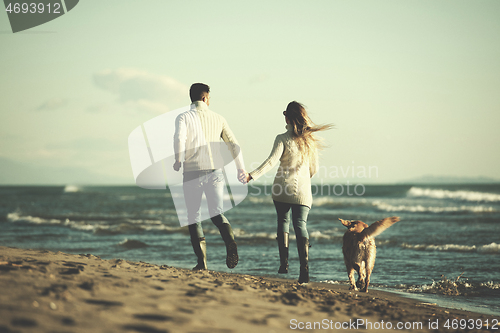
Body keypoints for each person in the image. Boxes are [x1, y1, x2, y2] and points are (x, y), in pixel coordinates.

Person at [244, 101, 332, 283]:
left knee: (283, 222)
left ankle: (284, 263)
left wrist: (251, 175)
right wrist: (302, 180)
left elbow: (270, 162)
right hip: (303, 191)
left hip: (282, 189)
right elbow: (313, 170)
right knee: (300, 225)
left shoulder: (282, 138)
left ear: (288, 118)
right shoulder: (311, 142)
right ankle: (304, 269)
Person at [173, 83, 246, 271]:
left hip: (192, 171)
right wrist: (241, 169)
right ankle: (230, 241)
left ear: (192, 97)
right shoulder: (218, 118)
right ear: (205, 98)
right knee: (216, 212)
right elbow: (233, 144)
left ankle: (202, 262)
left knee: (193, 216)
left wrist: (178, 159)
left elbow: (179, 138)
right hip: (215, 172)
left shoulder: (183, 117)